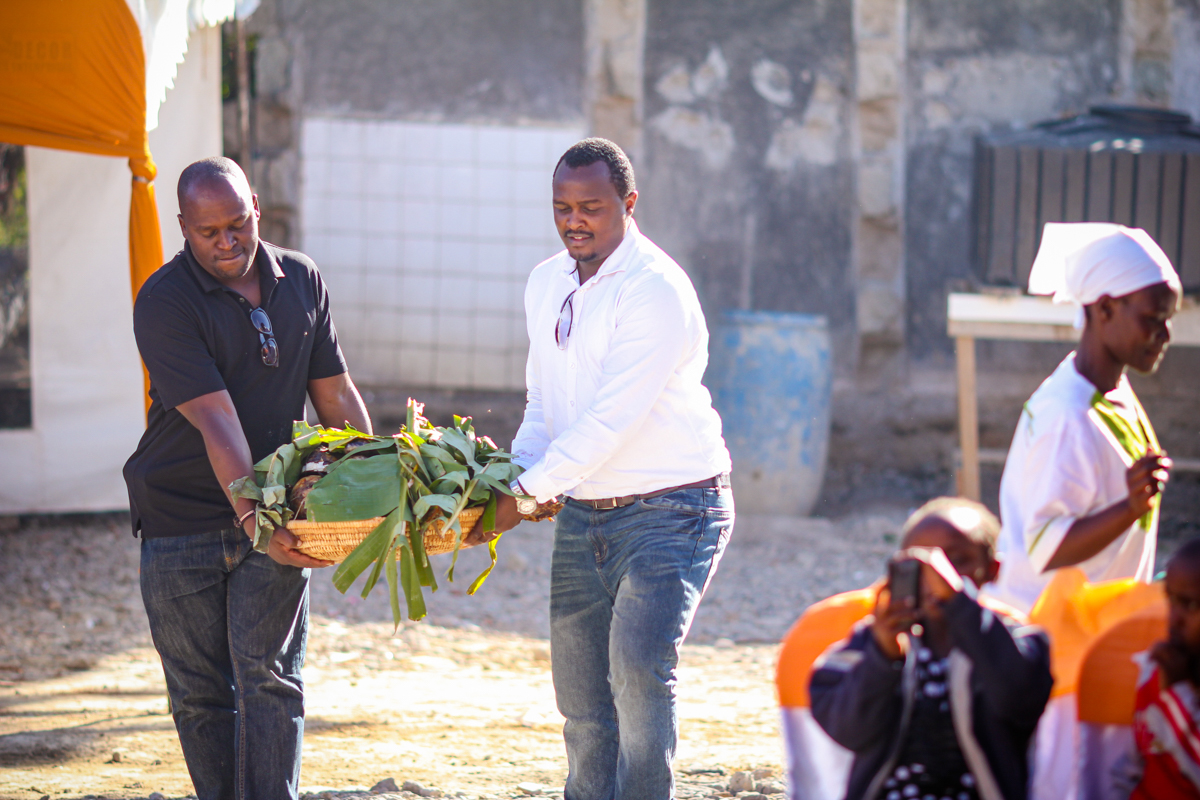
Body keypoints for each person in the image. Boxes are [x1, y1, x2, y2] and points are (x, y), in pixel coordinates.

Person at [484, 138, 734, 800]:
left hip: (674, 508)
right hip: (587, 508)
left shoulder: (655, 291)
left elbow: (608, 423)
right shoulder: (547, 281)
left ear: (628, 204)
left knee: (637, 671)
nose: (574, 221)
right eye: (562, 207)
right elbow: (545, 409)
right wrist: (505, 484)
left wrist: (522, 500)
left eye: (590, 207)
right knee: (582, 703)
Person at [123, 157, 371, 799]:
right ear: (183, 227)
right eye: (209, 232)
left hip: (278, 514)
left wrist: (381, 488)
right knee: (200, 693)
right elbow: (218, 420)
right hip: (182, 520)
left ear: (257, 206)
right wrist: (255, 522)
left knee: (270, 680)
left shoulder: (302, 279)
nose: (228, 242)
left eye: (238, 224)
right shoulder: (163, 300)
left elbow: (336, 395)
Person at [988, 222, 1180, 614]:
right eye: (1152, 318)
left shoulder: (1112, 390)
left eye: (1168, 319)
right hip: (1049, 641)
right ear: (1105, 308)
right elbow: (1047, 547)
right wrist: (1130, 507)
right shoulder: (1066, 417)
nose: (1165, 334)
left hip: (1095, 629)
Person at [810, 498, 1053, 800]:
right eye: (921, 564)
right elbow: (848, 730)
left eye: (957, 560)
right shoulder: (876, 641)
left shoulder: (1014, 640)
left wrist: (960, 605)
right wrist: (883, 654)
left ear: (992, 570)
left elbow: (1022, 698)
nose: (937, 577)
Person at [1116, 538, 1200, 798]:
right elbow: (1128, 766)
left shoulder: (1171, 681)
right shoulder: (1156, 671)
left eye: (1189, 605)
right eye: (1170, 601)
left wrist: (1177, 693)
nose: (1174, 618)